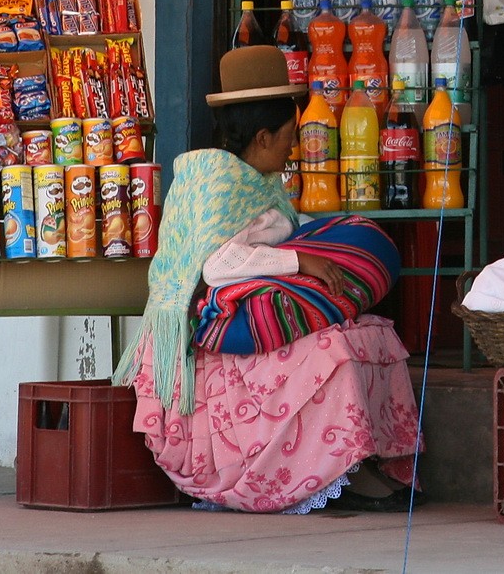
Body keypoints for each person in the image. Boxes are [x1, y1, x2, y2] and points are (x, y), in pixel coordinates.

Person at [113, 46, 422, 514]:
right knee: (332, 350)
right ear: (261, 137)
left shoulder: (259, 179)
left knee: (369, 332)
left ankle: (351, 462)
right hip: (207, 336)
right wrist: (301, 263)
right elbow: (216, 266)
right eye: (289, 136)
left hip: (248, 309)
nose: (294, 147)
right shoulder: (215, 178)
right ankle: (313, 471)